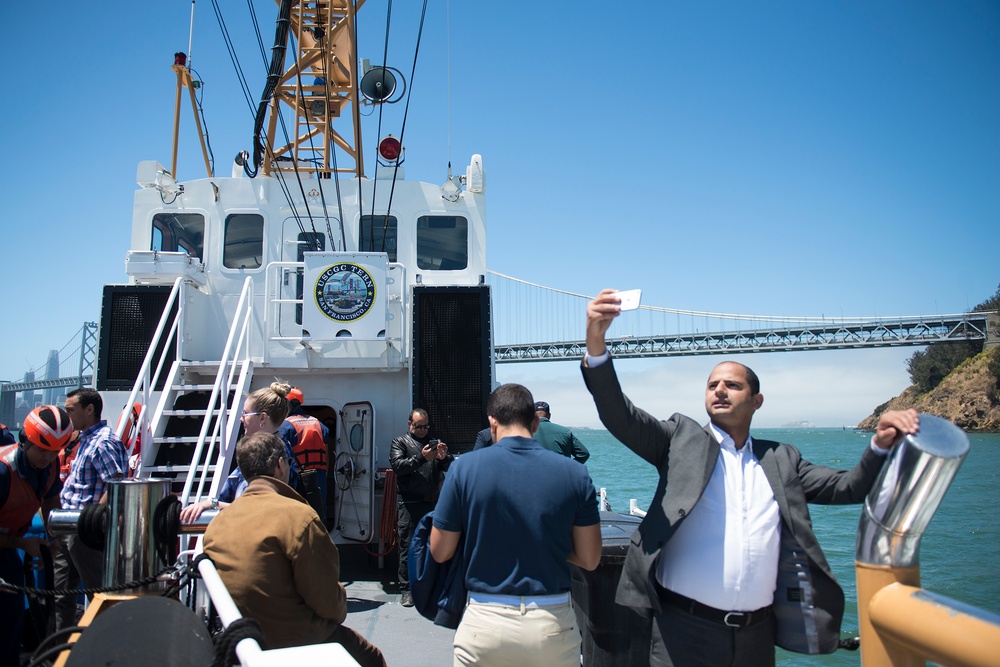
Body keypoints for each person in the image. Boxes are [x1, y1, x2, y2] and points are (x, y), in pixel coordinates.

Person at [581, 289, 920, 667]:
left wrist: (880, 445)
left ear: (757, 401)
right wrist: (597, 345)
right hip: (683, 632)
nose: (720, 391)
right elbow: (619, 415)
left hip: (757, 638)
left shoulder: (782, 459)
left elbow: (850, 487)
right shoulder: (678, 440)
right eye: (712, 386)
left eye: (733, 385)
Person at [430, 383, 601, 667]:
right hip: (551, 621)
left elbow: (440, 551)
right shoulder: (575, 473)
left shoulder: (463, 469)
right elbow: (590, 558)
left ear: (492, 422)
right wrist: (548, 542)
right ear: (535, 422)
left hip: (485, 621)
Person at [202, 432, 386, 667]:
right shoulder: (299, 517)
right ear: (280, 465)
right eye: (288, 462)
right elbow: (327, 600)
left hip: (239, 640)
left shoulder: (219, 522)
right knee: (371, 658)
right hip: (294, 640)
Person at [0, 406, 73, 664]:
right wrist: (22, 544)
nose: (48, 457)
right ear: (24, 442)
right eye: (42, 450)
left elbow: (52, 507)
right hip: (8, 544)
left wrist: (53, 544)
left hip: (6, 550)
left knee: (11, 616)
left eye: (55, 451)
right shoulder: (3, 471)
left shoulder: (50, 468)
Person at [55, 388, 128, 630]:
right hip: (69, 527)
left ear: (89, 410)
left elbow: (116, 483)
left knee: (99, 594)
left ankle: (109, 647)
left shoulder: (103, 442)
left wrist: (92, 519)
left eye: (71, 410)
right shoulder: (87, 439)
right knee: (61, 595)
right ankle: (60, 651)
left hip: (84, 531)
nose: (67, 417)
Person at [180, 382, 301, 523]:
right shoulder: (278, 447)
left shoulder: (269, 454)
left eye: (245, 413)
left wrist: (212, 504)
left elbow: (256, 508)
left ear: (262, 418)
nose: (241, 418)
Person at [390, 409, 452, 607]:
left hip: (432, 502)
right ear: (410, 424)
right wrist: (422, 458)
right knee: (407, 546)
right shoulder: (400, 442)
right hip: (409, 502)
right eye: (418, 426)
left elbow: (448, 467)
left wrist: (443, 457)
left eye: (426, 426)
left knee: (433, 545)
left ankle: (431, 586)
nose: (423, 430)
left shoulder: (433, 442)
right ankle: (406, 589)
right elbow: (398, 466)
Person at [285, 387, 329, 524]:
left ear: (289, 404)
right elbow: (326, 452)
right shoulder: (319, 424)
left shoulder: (286, 426)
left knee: (296, 518)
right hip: (319, 477)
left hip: (297, 478)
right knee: (318, 517)